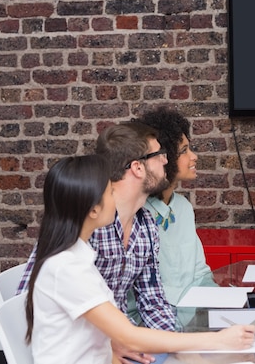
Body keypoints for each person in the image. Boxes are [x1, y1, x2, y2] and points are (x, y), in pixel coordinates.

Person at [24, 154, 255, 364]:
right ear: (93, 210)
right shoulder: (67, 268)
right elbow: (130, 337)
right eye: (109, 192)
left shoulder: (77, 258)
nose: (116, 197)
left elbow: (107, 338)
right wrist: (218, 341)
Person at [18, 122, 179, 364]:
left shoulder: (147, 225)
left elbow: (153, 300)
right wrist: (111, 344)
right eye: (159, 155)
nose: (166, 161)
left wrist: (175, 347)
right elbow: (27, 298)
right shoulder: (87, 222)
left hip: (126, 344)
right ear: (137, 167)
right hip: (89, 350)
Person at [126, 107, 217, 328]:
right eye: (184, 151)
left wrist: (221, 304)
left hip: (187, 321)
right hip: (147, 326)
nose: (194, 156)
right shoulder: (135, 215)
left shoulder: (183, 208)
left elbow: (200, 273)